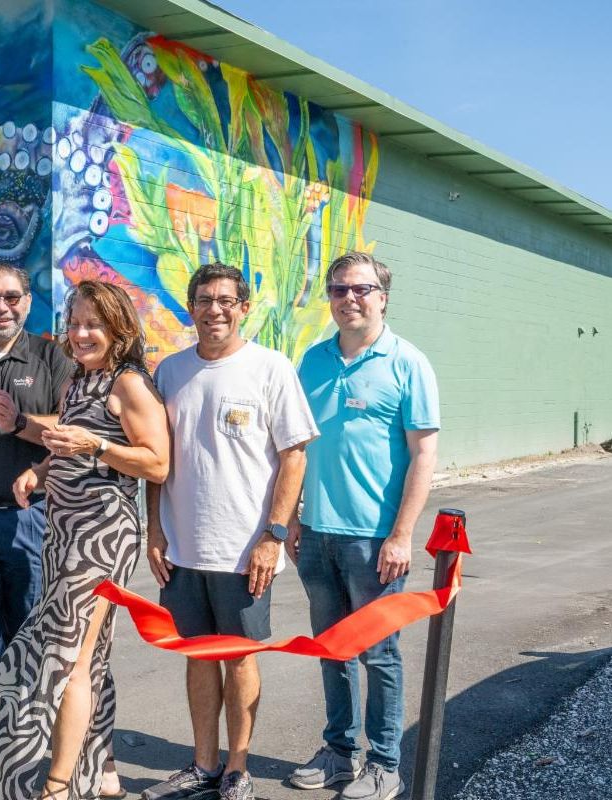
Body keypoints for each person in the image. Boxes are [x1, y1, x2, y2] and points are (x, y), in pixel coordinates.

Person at [0, 280, 171, 800]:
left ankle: (57, 784)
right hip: (62, 532)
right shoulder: (79, 382)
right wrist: (40, 472)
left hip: (101, 537)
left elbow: (157, 462)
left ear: (119, 329)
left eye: (93, 324)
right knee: (88, 657)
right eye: (75, 323)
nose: (81, 333)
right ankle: (98, 772)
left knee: (65, 657)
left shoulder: (129, 384)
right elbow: (71, 446)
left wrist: (94, 443)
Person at [142, 262, 318, 800]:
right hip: (182, 546)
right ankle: (203, 764)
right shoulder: (169, 373)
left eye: (225, 300)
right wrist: (155, 529)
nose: (213, 309)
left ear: (243, 308)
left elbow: (294, 458)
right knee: (198, 653)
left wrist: (273, 534)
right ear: (189, 306)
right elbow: (157, 461)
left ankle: (238, 768)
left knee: (240, 655)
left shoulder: (270, 368)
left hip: (245, 551)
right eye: (203, 299)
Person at [289, 252, 439, 800]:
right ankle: (339, 751)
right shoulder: (312, 361)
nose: (349, 298)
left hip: (375, 539)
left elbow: (423, 455)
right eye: (338, 290)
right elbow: (297, 448)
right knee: (331, 648)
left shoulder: (407, 363)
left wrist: (402, 535)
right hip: (318, 533)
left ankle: (385, 764)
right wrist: (290, 520)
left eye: (361, 289)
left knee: (379, 654)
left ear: (383, 296)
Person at [0, 263, 71, 683]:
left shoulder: (51, 358)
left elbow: (72, 430)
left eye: (11, 297)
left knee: (27, 632)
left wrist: (20, 423)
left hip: (31, 519)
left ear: (27, 302)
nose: (1, 307)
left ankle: (21, 728)